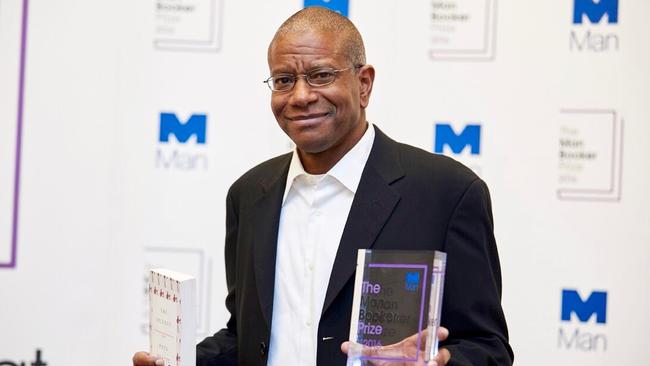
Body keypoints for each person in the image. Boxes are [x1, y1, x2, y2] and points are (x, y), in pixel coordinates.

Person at [134, 6, 513, 366]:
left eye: (321, 76)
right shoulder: (249, 194)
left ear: (364, 84)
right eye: (284, 80)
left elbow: (487, 348)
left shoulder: (446, 193)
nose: (300, 96)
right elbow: (246, 336)